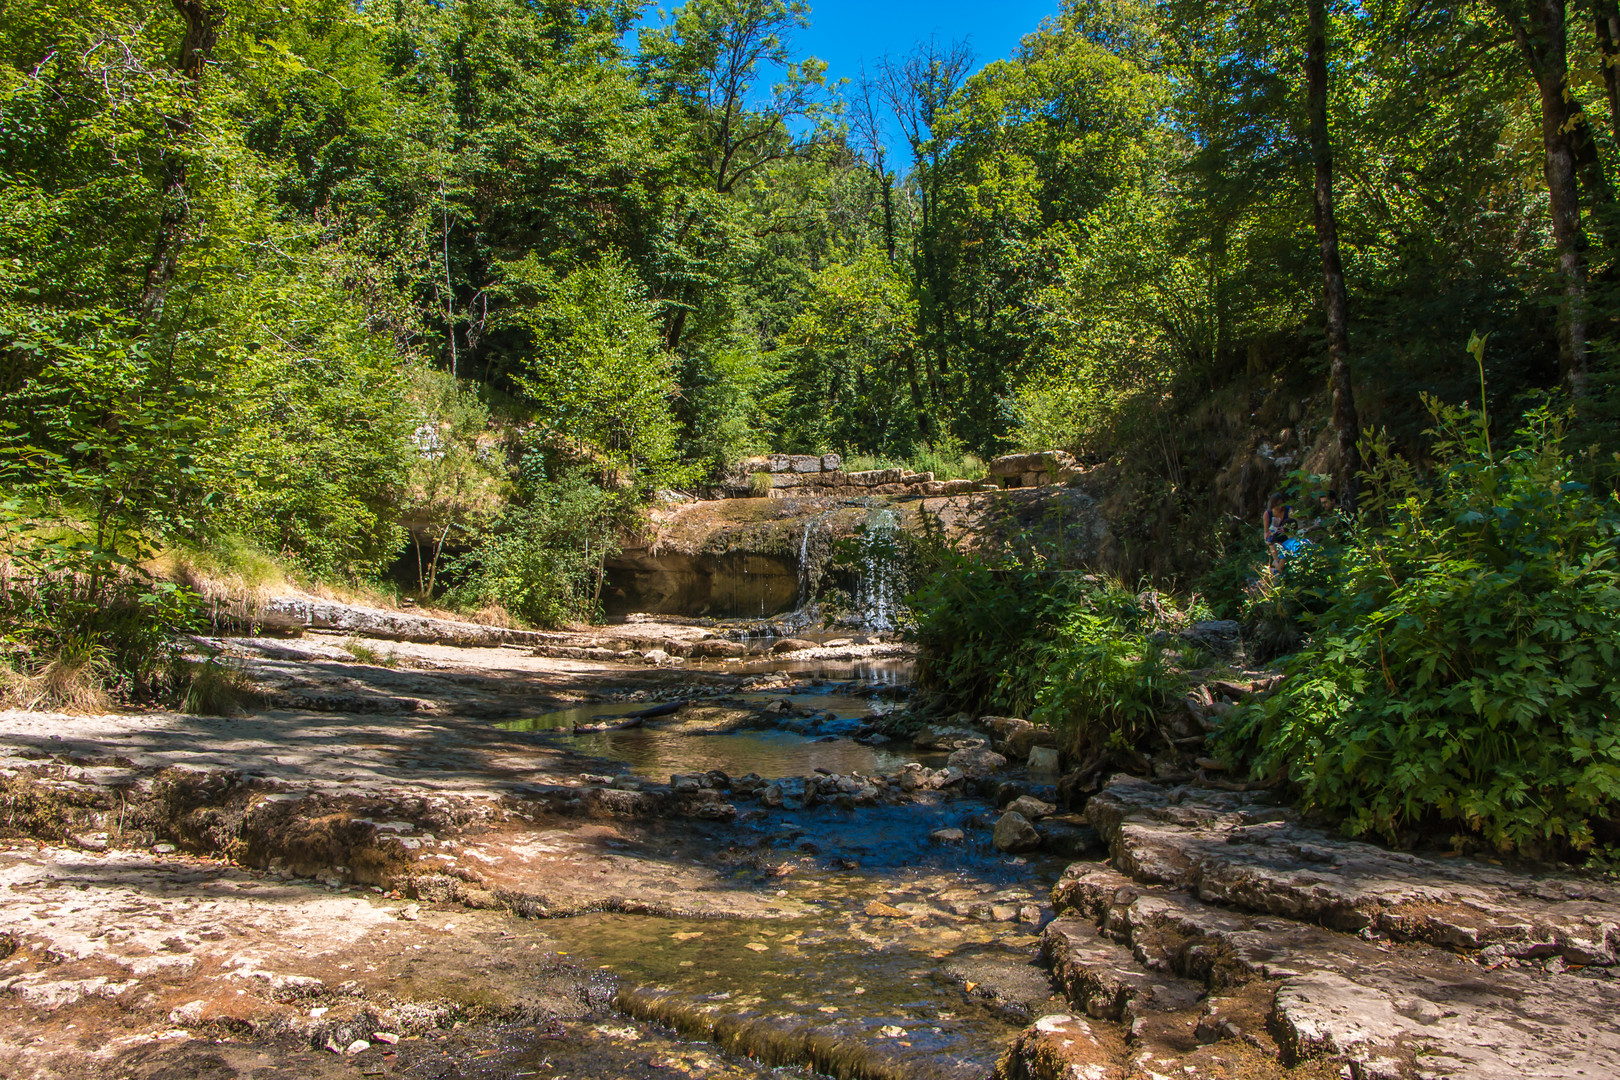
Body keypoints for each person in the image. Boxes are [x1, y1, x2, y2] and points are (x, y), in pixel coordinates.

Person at [1263, 492, 1293, 573]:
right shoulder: (1267, 514)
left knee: (1290, 543)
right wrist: (1267, 538)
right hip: (1274, 538)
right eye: (1276, 505)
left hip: (1287, 536)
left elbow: (1295, 526)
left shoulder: (1288, 510)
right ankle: (1277, 563)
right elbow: (1265, 532)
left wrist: (1286, 530)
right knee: (1271, 543)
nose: (1278, 507)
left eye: (1280, 504)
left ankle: (1277, 569)